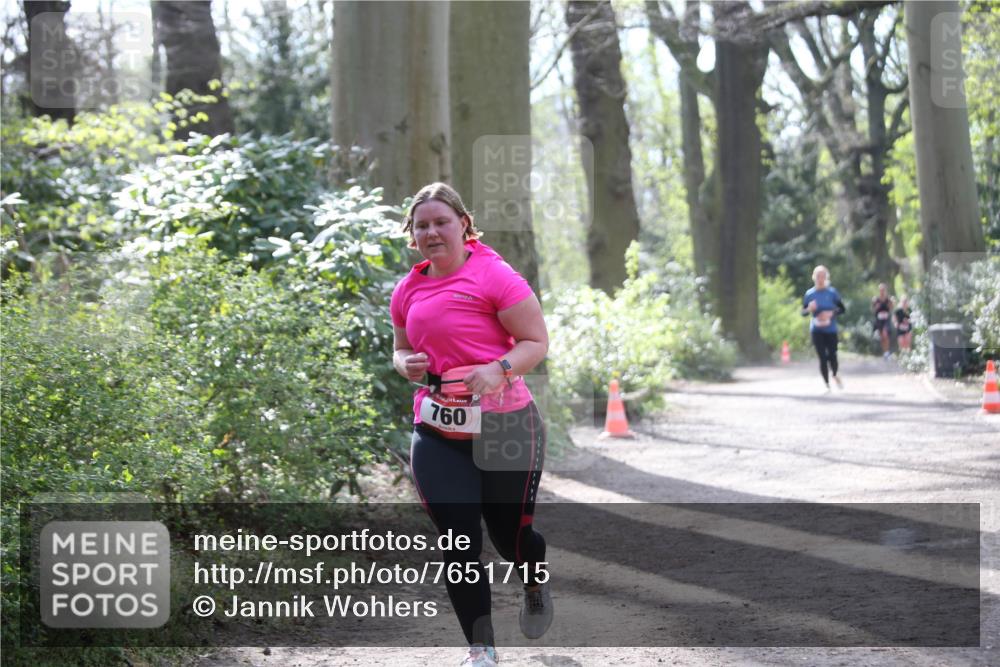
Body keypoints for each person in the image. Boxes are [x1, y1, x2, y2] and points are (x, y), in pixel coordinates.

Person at [390, 183, 553, 667]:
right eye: (422, 225)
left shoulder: (495, 276)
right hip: (438, 431)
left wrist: (498, 369)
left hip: (506, 428)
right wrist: (406, 366)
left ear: (463, 223)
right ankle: (481, 651)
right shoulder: (409, 287)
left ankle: (533, 578)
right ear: (412, 234)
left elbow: (535, 342)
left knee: (510, 539)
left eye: (441, 222)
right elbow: (400, 348)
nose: (431, 232)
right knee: (459, 543)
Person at [802, 265, 846, 391]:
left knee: (832, 355)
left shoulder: (832, 292)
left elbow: (842, 309)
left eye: (823, 276)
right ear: (814, 277)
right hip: (816, 330)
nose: (820, 279)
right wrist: (809, 309)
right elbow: (803, 312)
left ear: (826, 277)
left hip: (831, 329)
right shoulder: (809, 294)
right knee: (822, 356)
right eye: (818, 276)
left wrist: (831, 313)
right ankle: (827, 383)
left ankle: (835, 374)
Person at [872, 283, 894, 360]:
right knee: (882, 337)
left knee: (885, 334)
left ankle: (887, 352)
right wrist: (876, 307)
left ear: (885, 290)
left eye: (883, 290)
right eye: (880, 290)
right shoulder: (876, 299)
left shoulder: (889, 299)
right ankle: (885, 353)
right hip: (879, 320)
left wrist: (891, 303)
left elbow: (891, 309)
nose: (882, 291)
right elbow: (873, 310)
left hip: (886, 320)